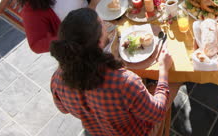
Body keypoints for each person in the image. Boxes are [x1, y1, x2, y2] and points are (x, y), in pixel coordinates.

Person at [50, 8, 176, 136]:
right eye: (102, 23)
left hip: (99, 131)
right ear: (99, 42)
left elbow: (63, 109)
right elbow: (158, 113)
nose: (105, 25)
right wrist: (164, 71)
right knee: (175, 80)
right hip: (138, 131)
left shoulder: (57, 78)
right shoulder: (124, 82)